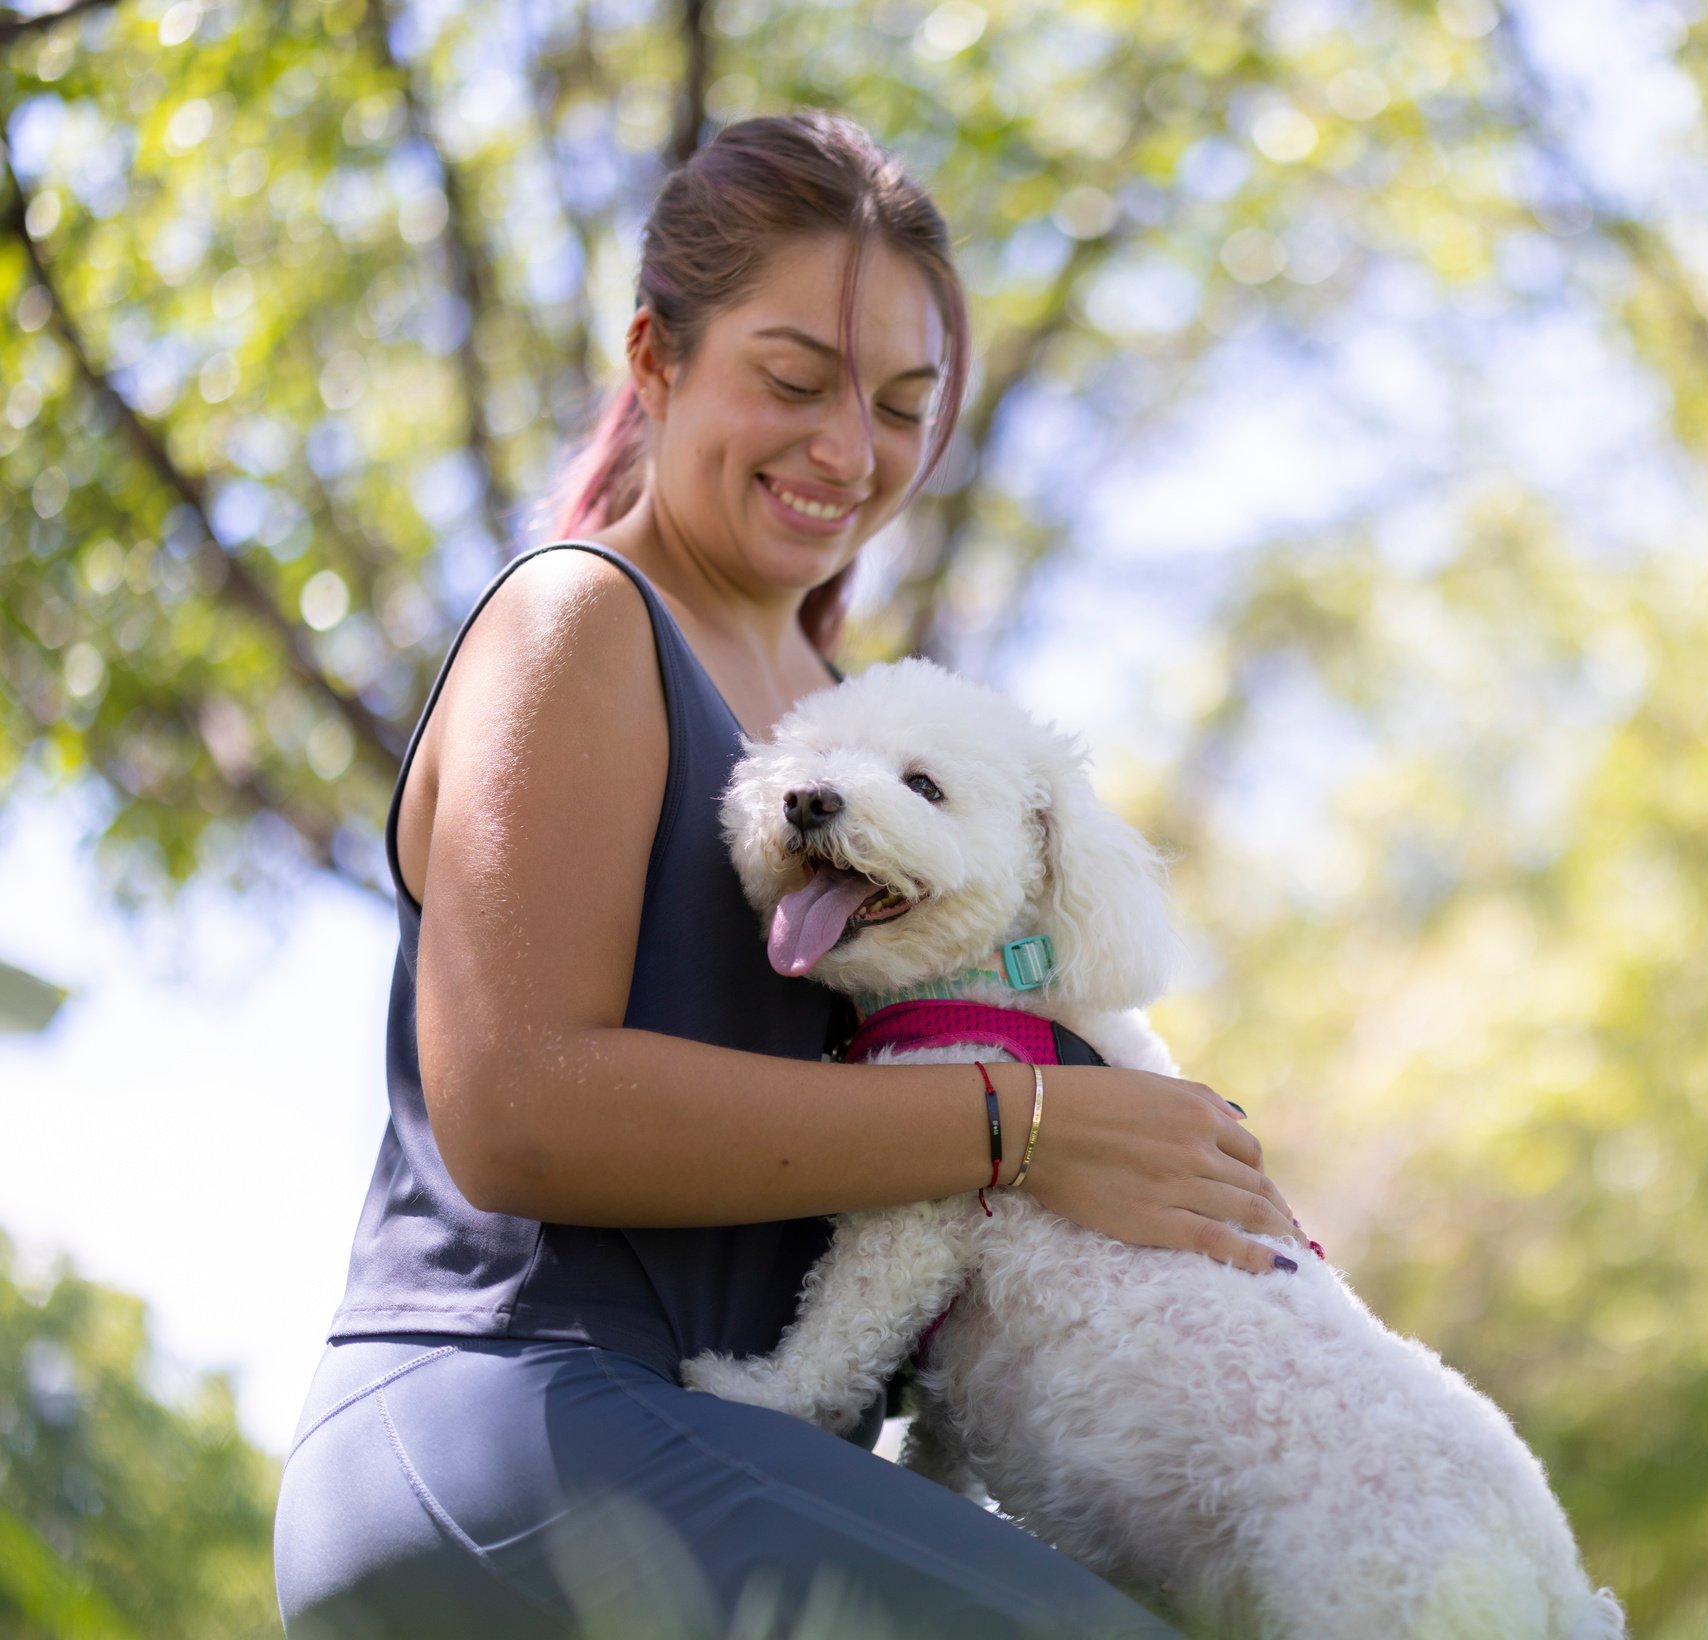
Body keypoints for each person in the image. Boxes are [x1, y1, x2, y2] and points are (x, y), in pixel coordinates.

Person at [271, 111, 1301, 1640]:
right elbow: (517, 1109)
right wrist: (1019, 1127)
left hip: (736, 1453)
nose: (848, 451)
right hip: (522, 1422)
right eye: (794, 381)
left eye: (901, 404)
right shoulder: (579, 622)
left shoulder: (843, 726)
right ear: (656, 359)